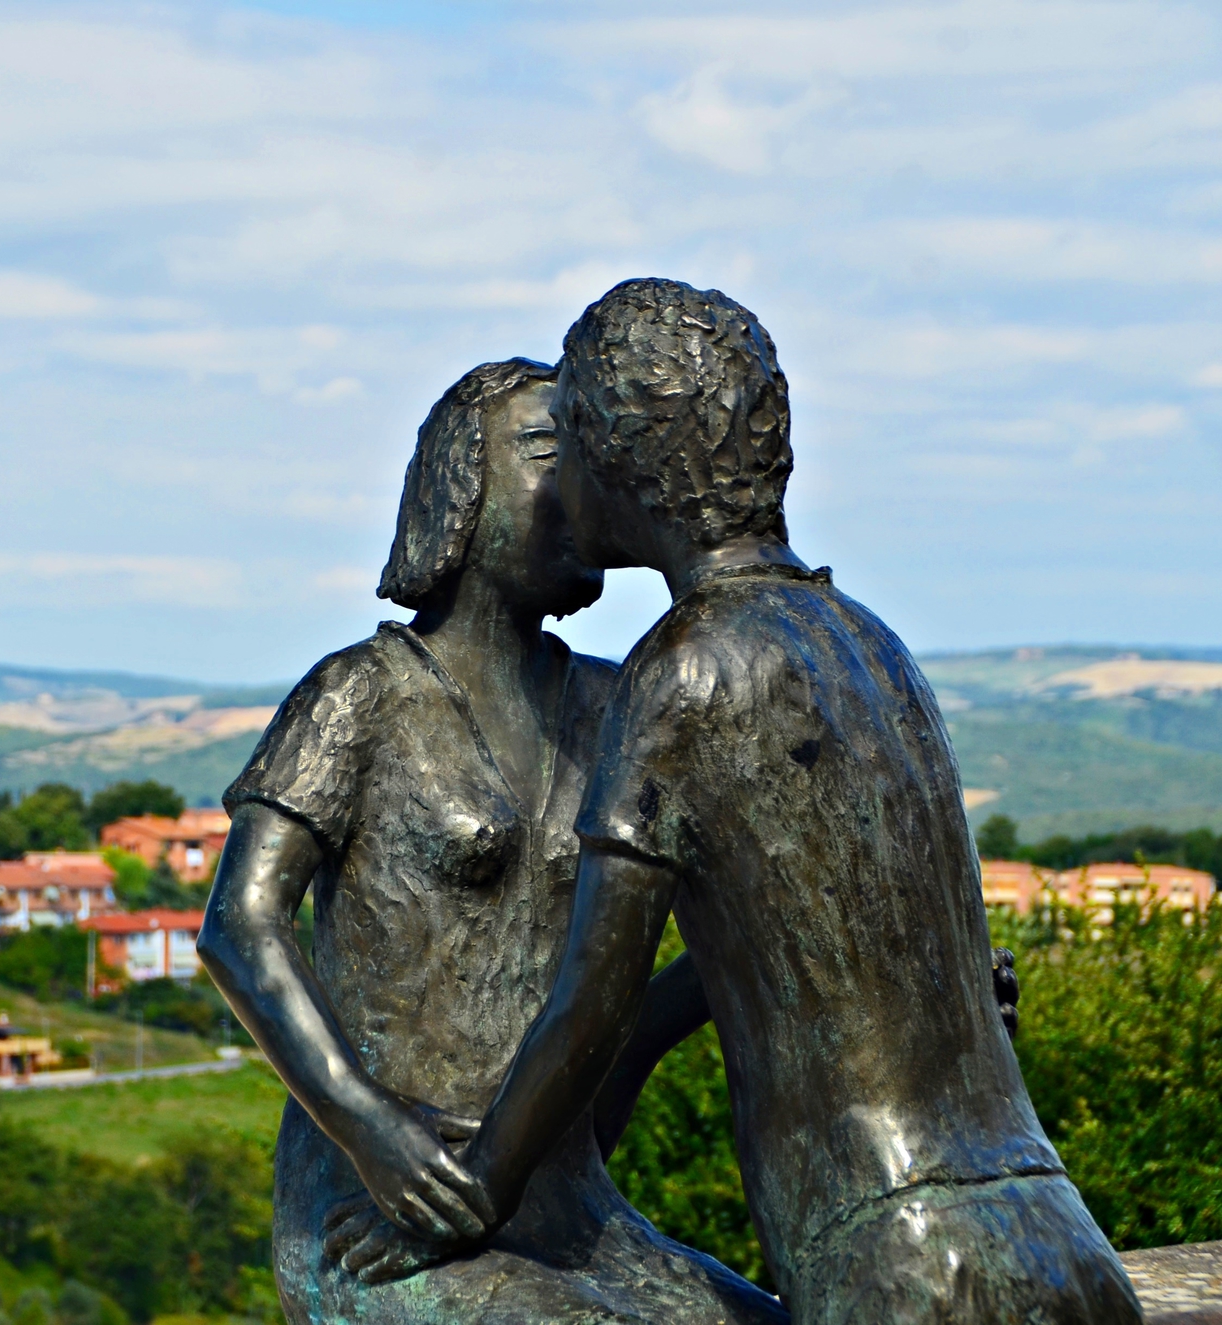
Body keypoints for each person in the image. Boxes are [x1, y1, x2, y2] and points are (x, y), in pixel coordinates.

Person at [348, 280, 1138, 1323]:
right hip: (1054, 1228)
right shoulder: (868, 643)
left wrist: (473, 1190)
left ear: (621, 465)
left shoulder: (680, 673)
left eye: (569, 444)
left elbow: (592, 997)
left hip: (899, 1255)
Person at [198, 358, 787, 1323]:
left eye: (590, 456)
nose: (580, 483)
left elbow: (627, 994)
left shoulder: (615, 705)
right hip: (380, 1211)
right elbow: (241, 925)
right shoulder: (363, 693)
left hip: (567, 1207)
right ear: (460, 488)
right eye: (549, 451)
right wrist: (370, 1126)